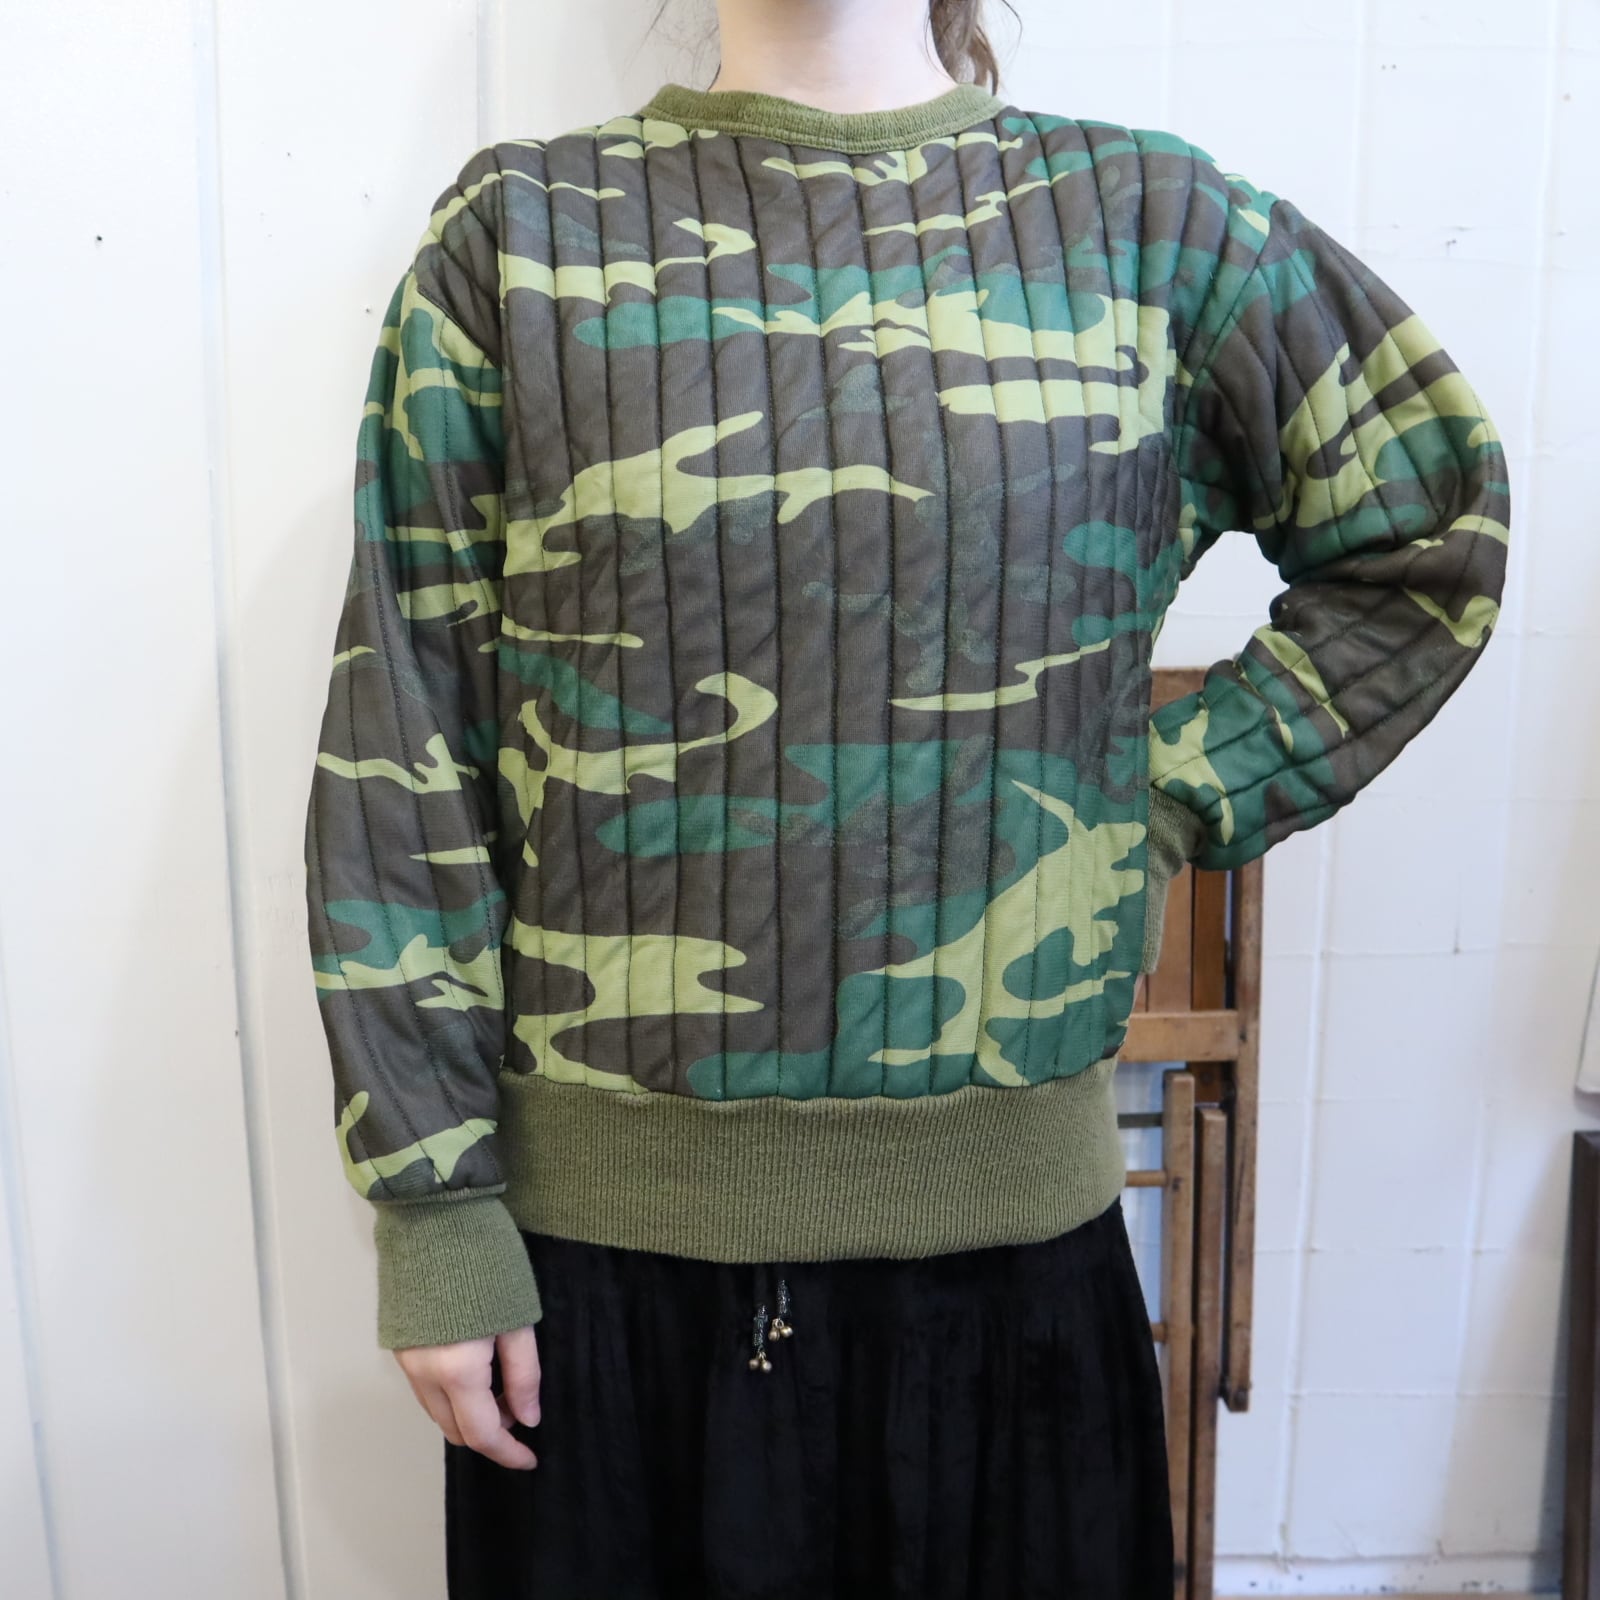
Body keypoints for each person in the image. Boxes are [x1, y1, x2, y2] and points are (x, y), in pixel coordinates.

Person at [300, 0, 1511, 1594]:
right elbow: (407, 732)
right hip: (602, 1288)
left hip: (1011, 1291)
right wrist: (433, 1210)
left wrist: (1148, 796)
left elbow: (1429, 538)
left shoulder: (1154, 228)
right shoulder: (518, 239)